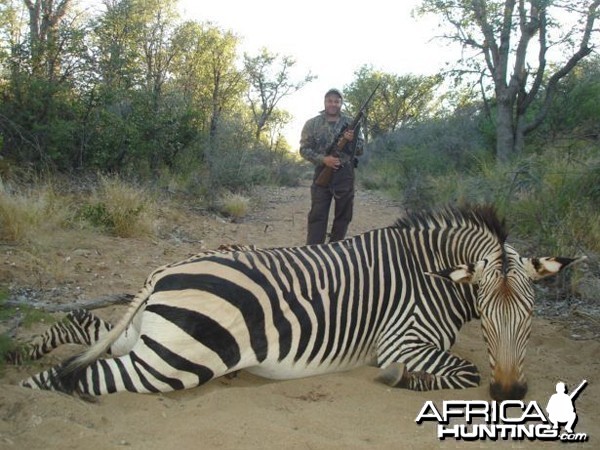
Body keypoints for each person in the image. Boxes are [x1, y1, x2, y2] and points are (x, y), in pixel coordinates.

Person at [299, 88, 364, 245]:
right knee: (317, 215)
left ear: (341, 103)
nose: (333, 104)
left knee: (344, 214)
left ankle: (335, 248)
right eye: (330, 100)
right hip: (322, 173)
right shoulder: (312, 123)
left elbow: (360, 150)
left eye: (337, 101)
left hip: (345, 174)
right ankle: (314, 250)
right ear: (325, 102)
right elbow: (304, 150)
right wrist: (323, 159)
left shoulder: (350, 123)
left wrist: (352, 140)